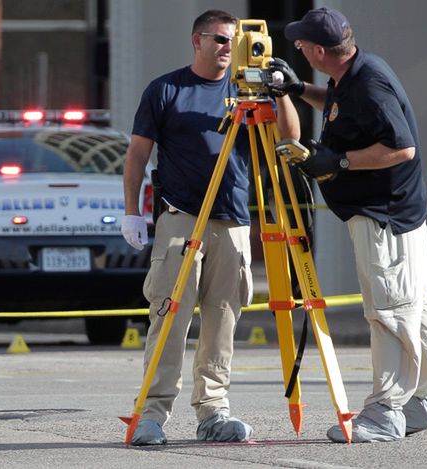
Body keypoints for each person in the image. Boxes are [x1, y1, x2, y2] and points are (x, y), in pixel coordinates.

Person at [121, 10, 300, 445]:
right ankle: (152, 413)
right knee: (170, 316)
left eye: (235, 41)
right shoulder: (166, 89)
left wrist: (281, 91)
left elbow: (288, 142)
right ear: (196, 40)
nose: (228, 48)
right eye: (220, 39)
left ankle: (213, 410)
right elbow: (137, 155)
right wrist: (132, 211)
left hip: (233, 220)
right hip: (181, 216)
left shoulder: (248, 91)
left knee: (222, 319)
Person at [269, 7, 427, 443]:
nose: (298, 48)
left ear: (323, 50)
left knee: (389, 311)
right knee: (413, 307)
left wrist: (340, 161)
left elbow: (400, 148)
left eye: (303, 44)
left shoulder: (369, 84)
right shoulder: (354, 74)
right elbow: (339, 106)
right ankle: (420, 399)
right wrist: (298, 88)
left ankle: (387, 410)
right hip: (397, 214)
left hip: (383, 216)